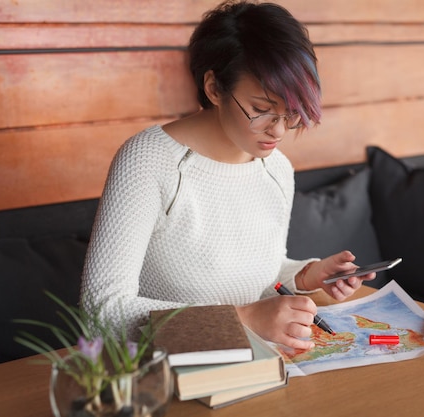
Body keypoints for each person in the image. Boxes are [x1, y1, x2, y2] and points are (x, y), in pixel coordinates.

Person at [80, 0, 374, 351]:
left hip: (255, 357)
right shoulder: (148, 161)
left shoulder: (277, 168)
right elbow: (101, 310)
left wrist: (306, 275)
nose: (279, 130)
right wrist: (244, 319)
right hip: (168, 370)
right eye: (261, 110)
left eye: (292, 114)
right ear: (214, 88)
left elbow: (257, 280)